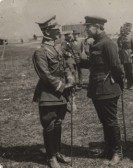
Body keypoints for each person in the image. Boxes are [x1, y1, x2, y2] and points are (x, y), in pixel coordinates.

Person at [79, 16, 124, 165]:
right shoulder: (95, 43)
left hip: (108, 88)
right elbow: (93, 64)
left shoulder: (108, 43)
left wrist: (119, 83)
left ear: (97, 27)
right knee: (104, 121)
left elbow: (116, 66)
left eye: (88, 27)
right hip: (96, 88)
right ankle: (109, 149)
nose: (86, 29)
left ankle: (117, 152)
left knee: (110, 121)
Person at [32, 15, 74, 168]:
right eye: (56, 30)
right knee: (49, 125)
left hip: (61, 93)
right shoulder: (40, 52)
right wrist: (62, 86)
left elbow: (64, 66)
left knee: (58, 123)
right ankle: (51, 157)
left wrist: (70, 77)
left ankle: (57, 153)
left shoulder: (57, 48)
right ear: (48, 31)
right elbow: (45, 75)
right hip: (48, 94)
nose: (59, 32)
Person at [117, 24, 133, 89]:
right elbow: (119, 45)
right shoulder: (121, 37)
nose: (124, 29)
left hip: (129, 55)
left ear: (129, 29)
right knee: (125, 69)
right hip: (123, 55)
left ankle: (131, 84)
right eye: (124, 28)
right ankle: (126, 83)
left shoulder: (132, 36)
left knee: (130, 70)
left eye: (126, 28)